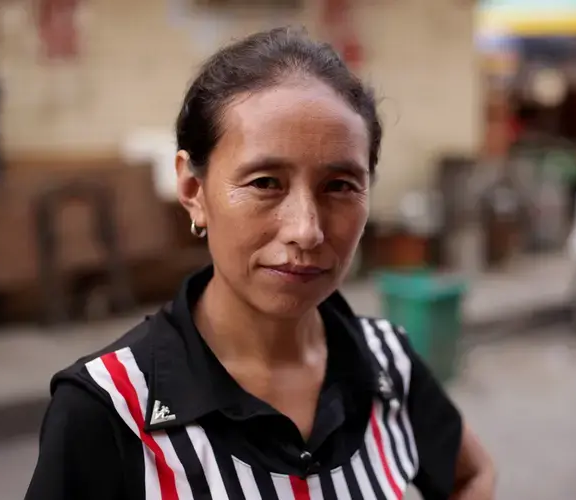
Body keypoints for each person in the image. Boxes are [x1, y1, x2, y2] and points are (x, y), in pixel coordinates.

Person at [25, 27, 495, 500]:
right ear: (193, 191)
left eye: (340, 186)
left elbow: (471, 475)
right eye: (266, 182)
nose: (306, 230)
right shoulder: (110, 410)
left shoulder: (386, 365)